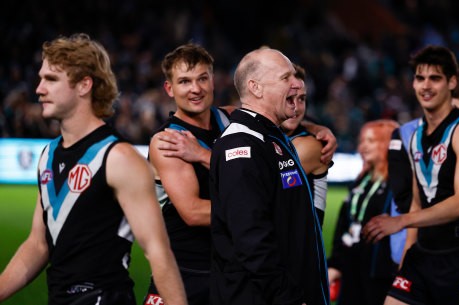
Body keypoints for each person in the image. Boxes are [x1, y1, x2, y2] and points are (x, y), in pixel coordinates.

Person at [0, 33, 188, 305]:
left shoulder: (119, 158)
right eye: (41, 78)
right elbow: (38, 245)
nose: (39, 89)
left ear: (84, 85)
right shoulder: (48, 155)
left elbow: (159, 253)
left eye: (51, 79)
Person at [363, 45, 459, 305]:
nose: (426, 86)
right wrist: (405, 258)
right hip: (422, 254)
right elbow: (417, 201)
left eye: (435, 78)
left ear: (452, 82)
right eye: (420, 78)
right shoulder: (414, 136)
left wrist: (401, 221)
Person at [209, 47, 330, 305]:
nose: (297, 85)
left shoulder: (271, 138)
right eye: (286, 78)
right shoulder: (240, 146)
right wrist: (289, 299)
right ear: (256, 88)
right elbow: (252, 241)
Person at [142, 43, 230, 305]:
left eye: (203, 78)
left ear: (212, 81)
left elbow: (282, 119)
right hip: (183, 273)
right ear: (169, 89)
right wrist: (257, 211)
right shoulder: (167, 141)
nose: (196, 89)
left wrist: (315, 128)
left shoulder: (230, 120)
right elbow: (193, 212)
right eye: (184, 81)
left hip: (227, 268)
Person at [327, 119, 400, 305]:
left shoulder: (398, 185)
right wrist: (335, 264)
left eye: (371, 141)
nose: (363, 146)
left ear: (387, 143)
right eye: (362, 141)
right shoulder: (360, 182)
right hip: (352, 272)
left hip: (381, 276)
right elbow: (344, 224)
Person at [280, 64, 330, 226]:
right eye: (289, 98)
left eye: (301, 99)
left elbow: (260, 180)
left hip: (301, 248)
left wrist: (203, 155)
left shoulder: (310, 145)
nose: (296, 107)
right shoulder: (274, 138)